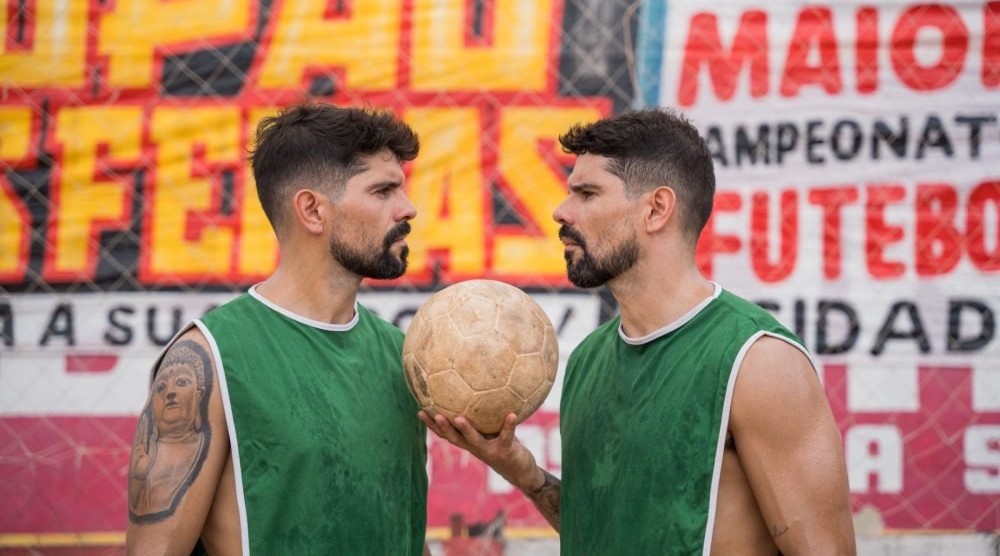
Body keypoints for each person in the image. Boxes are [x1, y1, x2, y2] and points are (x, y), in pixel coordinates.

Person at [421, 109, 856, 555]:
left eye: (587, 193)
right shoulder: (589, 357)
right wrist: (525, 474)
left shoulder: (757, 361)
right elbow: (602, 532)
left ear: (656, 209)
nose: (560, 211)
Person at [126, 103, 428, 555]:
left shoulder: (403, 356)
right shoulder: (209, 359)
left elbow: (401, 532)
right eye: (383, 190)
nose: (408, 208)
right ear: (312, 210)